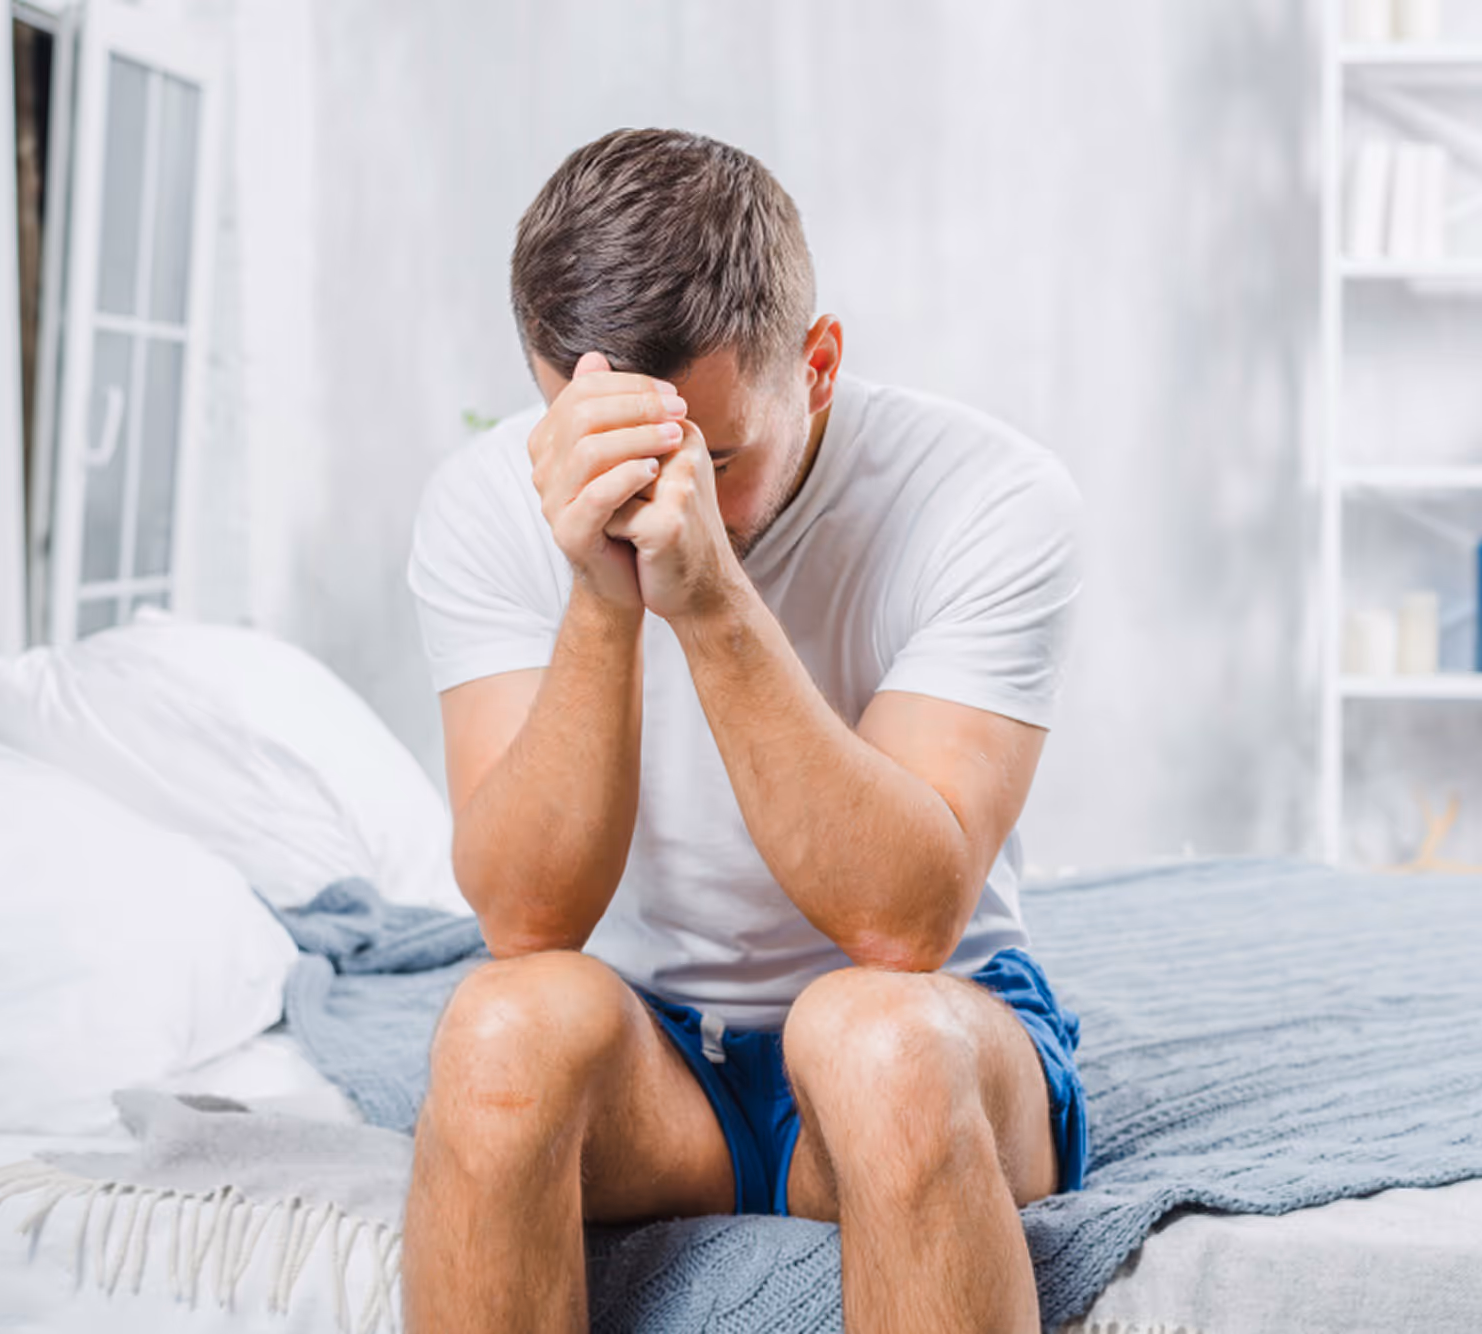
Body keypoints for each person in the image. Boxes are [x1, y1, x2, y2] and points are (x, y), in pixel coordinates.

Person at [402, 127, 1086, 1334]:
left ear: (816, 365)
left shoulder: (987, 496)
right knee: (494, 1030)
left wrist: (710, 597)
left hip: (933, 1020)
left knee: (871, 1040)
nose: (656, 504)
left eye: (712, 459)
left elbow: (904, 920)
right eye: (610, 453)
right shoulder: (484, 501)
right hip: (652, 1064)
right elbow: (524, 919)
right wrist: (601, 600)